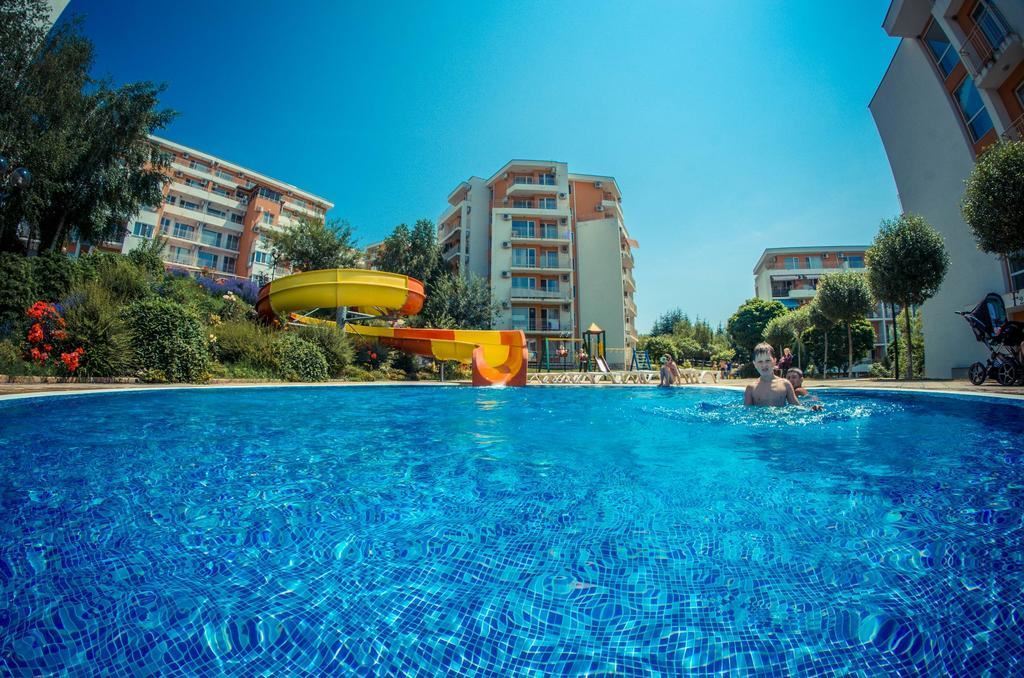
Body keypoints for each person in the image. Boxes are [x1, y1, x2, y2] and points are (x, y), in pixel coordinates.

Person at [744, 342, 821, 409]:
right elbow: (747, 412)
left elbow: (796, 407)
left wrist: (810, 409)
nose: (764, 365)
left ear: (774, 361)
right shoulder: (751, 388)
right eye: (760, 361)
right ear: (755, 364)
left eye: (767, 360)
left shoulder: (785, 384)